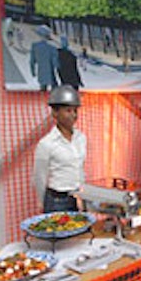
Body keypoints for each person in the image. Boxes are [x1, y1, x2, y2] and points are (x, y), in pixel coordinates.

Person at [34, 85, 86, 213]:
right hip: (57, 201)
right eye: (68, 111)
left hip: (78, 197)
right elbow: (39, 177)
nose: (73, 115)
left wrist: (83, 196)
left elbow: (79, 168)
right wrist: (42, 203)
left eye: (75, 111)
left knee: (81, 232)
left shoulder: (81, 138)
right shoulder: (46, 144)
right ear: (55, 113)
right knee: (59, 232)